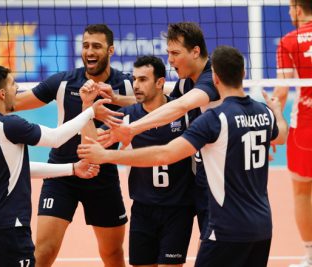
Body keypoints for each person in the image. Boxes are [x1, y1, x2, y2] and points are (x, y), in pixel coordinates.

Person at [0, 24, 135, 267]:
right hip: (62, 174)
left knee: (112, 254)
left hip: (102, 175)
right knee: (43, 252)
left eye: (96, 46)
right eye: (85, 46)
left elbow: (158, 102)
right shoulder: (64, 82)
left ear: (111, 50)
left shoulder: (127, 86)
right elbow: (13, 103)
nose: (89, 51)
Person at [78, 45, 288, 267]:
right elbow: (281, 136)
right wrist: (277, 113)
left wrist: (107, 156)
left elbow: (165, 153)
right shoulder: (264, 113)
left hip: (224, 228)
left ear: (214, 77)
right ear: (244, 74)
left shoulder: (213, 119)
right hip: (262, 226)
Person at [0, 65, 119, 266]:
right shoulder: (8, 125)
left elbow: (18, 169)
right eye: (13, 84)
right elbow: (55, 139)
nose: (18, 88)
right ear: (2, 93)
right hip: (10, 221)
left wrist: (72, 169)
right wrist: (89, 111)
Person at [101, 22, 219, 240]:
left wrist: (132, 129)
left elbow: (179, 107)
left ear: (195, 51)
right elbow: (160, 102)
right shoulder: (186, 83)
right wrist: (117, 99)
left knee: (218, 248)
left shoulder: (212, 78)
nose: (170, 60)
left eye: (175, 53)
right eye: (168, 53)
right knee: (209, 245)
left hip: (221, 177)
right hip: (203, 177)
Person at [80, 55, 195, 267]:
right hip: (143, 209)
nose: (136, 85)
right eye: (134, 79)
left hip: (178, 209)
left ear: (160, 83)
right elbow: (91, 144)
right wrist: (87, 106)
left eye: (143, 79)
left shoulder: (184, 114)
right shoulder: (127, 116)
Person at [272, 1, 312, 266]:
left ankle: (310, 256)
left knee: (302, 192)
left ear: (298, 9)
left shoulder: (289, 41)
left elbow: (282, 92)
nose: (288, 14)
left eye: (290, 8)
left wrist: (272, 122)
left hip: (305, 128)